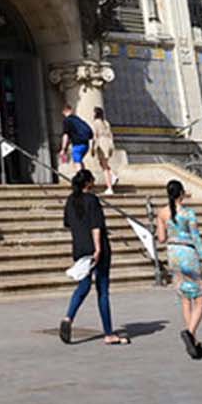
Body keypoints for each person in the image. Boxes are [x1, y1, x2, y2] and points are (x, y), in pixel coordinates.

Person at [57, 169, 125, 345]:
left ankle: (68, 317)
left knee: (84, 285)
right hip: (96, 248)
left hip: (79, 247)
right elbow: (96, 226)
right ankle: (108, 333)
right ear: (88, 183)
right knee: (102, 290)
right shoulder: (92, 200)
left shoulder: (70, 200)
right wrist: (98, 248)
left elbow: (68, 223)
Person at [163, 178, 202, 359]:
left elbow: (161, 238)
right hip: (188, 253)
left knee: (185, 298)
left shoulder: (162, 213)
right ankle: (190, 333)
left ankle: (193, 341)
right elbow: (197, 239)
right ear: (182, 194)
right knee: (200, 297)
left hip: (173, 254)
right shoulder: (188, 213)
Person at [58, 103, 93, 175]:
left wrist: (63, 149)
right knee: (79, 161)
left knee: (77, 163)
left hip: (78, 145)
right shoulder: (78, 119)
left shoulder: (67, 120)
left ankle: (81, 180)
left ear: (64, 111)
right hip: (86, 144)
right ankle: (85, 178)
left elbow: (66, 135)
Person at [90, 108, 118, 194]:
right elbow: (111, 135)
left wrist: (92, 148)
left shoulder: (96, 123)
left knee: (104, 167)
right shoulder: (106, 123)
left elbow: (95, 136)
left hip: (101, 143)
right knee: (103, 163)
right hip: (108, 143)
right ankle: (112, 175)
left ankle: (109, 187)